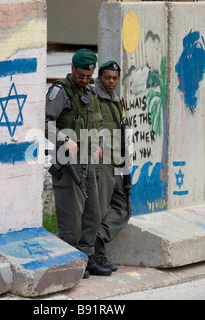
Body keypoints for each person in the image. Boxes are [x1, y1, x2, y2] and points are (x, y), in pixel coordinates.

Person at [45, 49, 112, 277]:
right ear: (72, 69)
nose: (84, 80)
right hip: (68, 164)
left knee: (93, 214)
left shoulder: (91, 93)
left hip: (88, 162)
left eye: (88, 76)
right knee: (71, 221)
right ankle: (66, 261)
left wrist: (99, 144)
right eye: (81, 75)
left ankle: (85, 258)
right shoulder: (59, 91)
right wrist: (64, 139)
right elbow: (46, 123)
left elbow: (98, 122)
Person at [93, 60, 131, 272]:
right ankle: (97, 257)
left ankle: (98, 239)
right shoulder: (93, 98)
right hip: (101, 163)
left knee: (124, 207)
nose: (111, 82)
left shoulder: (116, 101)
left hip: (117, 161)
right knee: (98, 210)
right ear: (99, 77)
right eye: (107, 77)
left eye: (115, 78)